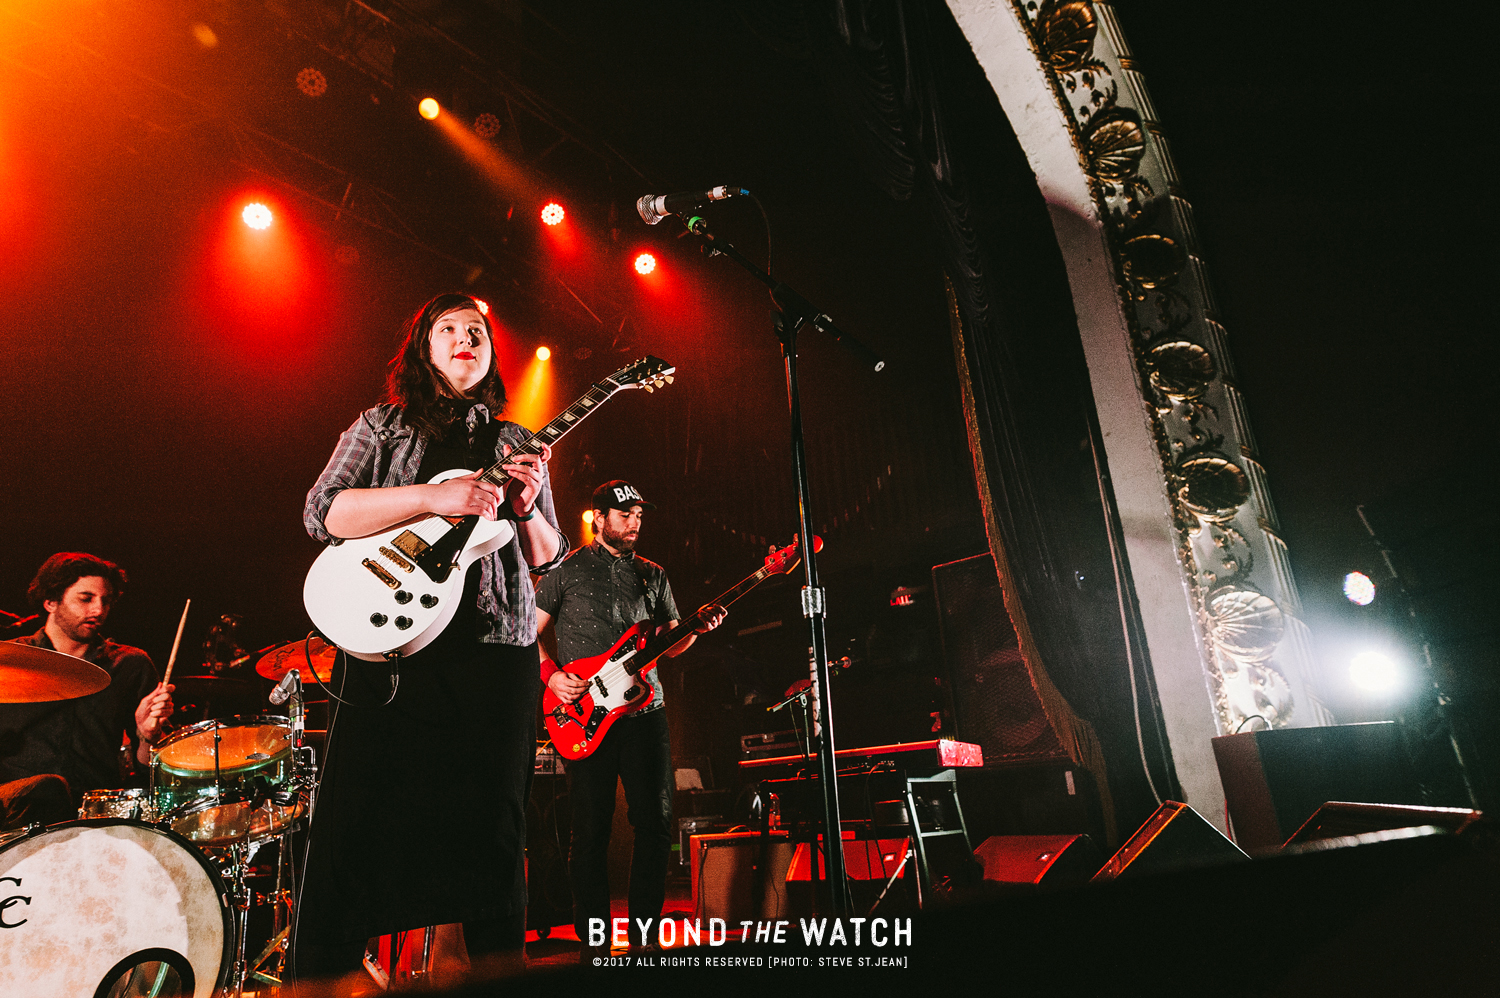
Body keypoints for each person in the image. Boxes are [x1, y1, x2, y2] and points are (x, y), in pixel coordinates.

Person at [297, 292, 568, 978]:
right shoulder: (381, 425)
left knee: (494, 826)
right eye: (447, 329)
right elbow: (323, 511)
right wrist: (432, 497)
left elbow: (548, 556)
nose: (463, 338)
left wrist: (532, 505)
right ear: (425, 348)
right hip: (390, 648)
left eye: (475, 329)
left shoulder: (516, 441)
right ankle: (327, 973)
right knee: (358, 818)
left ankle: (497, 970)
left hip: (493, 652)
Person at [534, 481, 726, 952]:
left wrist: (696, 629)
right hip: (584, 715)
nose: (634, 522)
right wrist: (551, 676)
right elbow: (527, 635)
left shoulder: (653, 574)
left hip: (645, 711)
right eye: (624, 514)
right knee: (591, 829)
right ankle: (593, 938)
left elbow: (672, 642)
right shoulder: (565, 571)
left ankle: (644, 936)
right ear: (597, 518)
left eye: (639, 514)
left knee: (656, 824)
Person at [0, 553, 174, 829]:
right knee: (46, 787)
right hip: (16, 819)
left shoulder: (130, 665)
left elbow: (148, 770)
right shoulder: (9, 660)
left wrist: (147, 736)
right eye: (86, 599)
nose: (98, 610)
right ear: (51, 602)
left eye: (105, 601)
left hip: (95, 819)